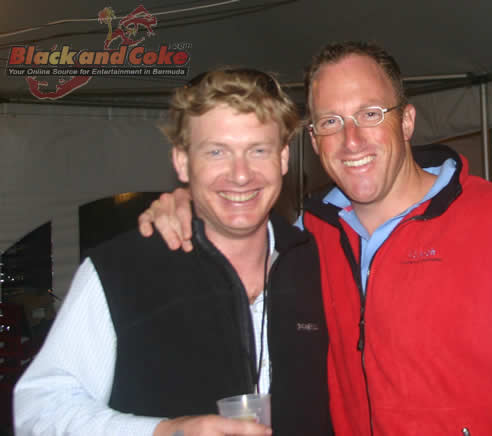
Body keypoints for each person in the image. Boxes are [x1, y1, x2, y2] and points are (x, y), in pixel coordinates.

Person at [138, 42, 492, 435]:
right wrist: (190, 205)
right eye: (331, 122)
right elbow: (235, 247)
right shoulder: (307, 238)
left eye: (370, 114)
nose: (352, 140)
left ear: (407, 121)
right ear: (314, 141)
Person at [13, 68, 332, 436]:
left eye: (258, 150)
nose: (241, 174)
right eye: (217, 152)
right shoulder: (121, 271)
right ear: (182, 162)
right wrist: (164, 432)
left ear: (283, 158)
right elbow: (39, 409)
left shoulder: (317, 264)